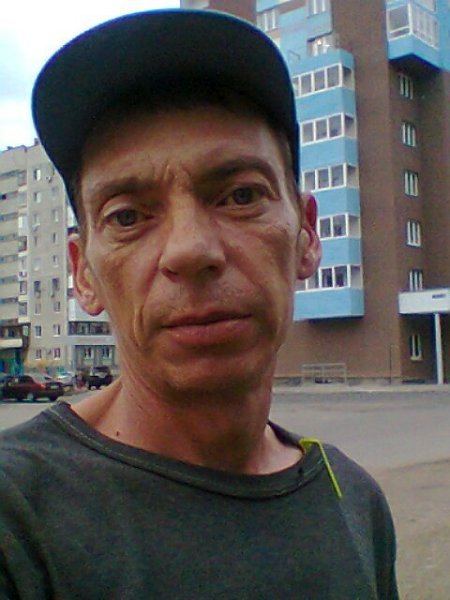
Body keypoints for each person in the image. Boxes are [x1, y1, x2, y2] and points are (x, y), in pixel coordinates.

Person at [0, 9, 398, 599]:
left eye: (240, 195)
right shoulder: (16, 516)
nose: (190, 250)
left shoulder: (354, 500)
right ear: (83, 273)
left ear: (307, 234)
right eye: (127, 217)